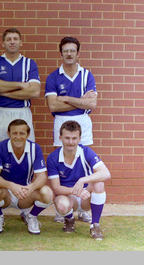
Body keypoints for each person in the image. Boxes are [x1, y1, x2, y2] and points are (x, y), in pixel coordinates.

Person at [45, 36, 97, 223]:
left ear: (78, 53)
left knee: (85, 163)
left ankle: (84, 208)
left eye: (72, 51)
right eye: (65, 51)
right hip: (61, 123)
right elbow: (53, 106)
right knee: (62, 163)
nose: (69, 54)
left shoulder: (87, 75)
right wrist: (79, 101)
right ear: (61, 53)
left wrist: (65, 98)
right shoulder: (53, 77)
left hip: (83, 123)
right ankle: (62, 207)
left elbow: (92, 103)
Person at [46, 120, 110, 240]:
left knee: (99, 184)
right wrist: (75, 191)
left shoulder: (85, 152)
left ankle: (95, 225)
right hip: (68, 196)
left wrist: (82, 181)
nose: (71, 142)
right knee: (61, 205)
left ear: (80, 138)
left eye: (74, 138)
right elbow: (56, 188)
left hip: (86, 196)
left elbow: (106, 173)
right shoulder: (53, 158)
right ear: (60, 138)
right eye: (67, 138)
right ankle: (69, 219)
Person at [0, 119, 54, 235]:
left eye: (22, 133)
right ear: (9, 134)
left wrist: (31, 187)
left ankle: (31, 216)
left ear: (28, 134)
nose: (18, 137)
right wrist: (11, 185)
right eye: (14, 133)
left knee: (47, 193)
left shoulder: (35, 148)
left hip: (25, 194)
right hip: (5, 193)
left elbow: (42, 177)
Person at [0, 28, 41, 143]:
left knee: (24, 151)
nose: (12, 42)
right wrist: (20, 85)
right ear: (3, 43)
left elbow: (34, 92)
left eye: (15, 39)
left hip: (22, 112)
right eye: (8, 39)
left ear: (21, 42)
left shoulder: (29, 63)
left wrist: (3, 91)